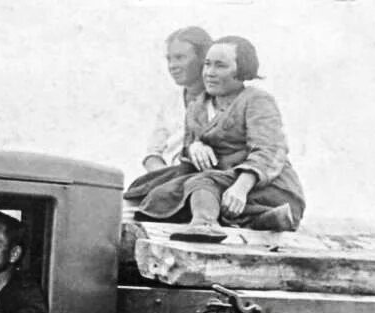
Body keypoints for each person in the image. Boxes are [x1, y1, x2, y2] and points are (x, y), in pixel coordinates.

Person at [125, 35, 305, 232]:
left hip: (262, 187)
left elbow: (270, 151)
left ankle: (205, 226)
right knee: (154, 184)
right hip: (218, 183)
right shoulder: (197, 107)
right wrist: (194, 148)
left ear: (242, 70)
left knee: (202, 183)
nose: (209, 73)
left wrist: (240, 188)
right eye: (207, 65)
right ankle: (259, 219)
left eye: (220, 66)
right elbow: (187, 151)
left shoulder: (256, 100)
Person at [139, 26, 213, 176]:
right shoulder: (170, 102)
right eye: (169, 59)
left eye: (180, 58)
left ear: (203, 59)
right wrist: (166, 176)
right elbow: (153, 154)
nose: (172, 66)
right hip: (168, 179)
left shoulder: (224, 100)